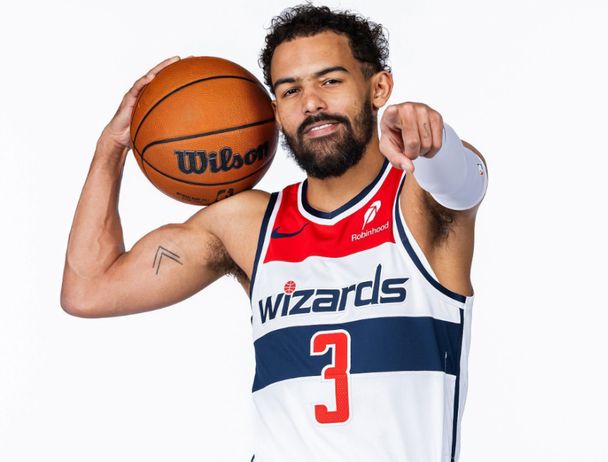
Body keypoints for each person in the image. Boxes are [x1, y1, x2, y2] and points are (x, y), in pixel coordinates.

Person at [60, 4, 488, 462]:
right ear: (276, 111)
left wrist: (434, 141)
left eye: (330, 81)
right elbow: (89, 289)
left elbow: (463, 182)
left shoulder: (419, 201)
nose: (311, 103)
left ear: (378, 87)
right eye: (290, 90)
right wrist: (111, 147)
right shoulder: (248, 225)